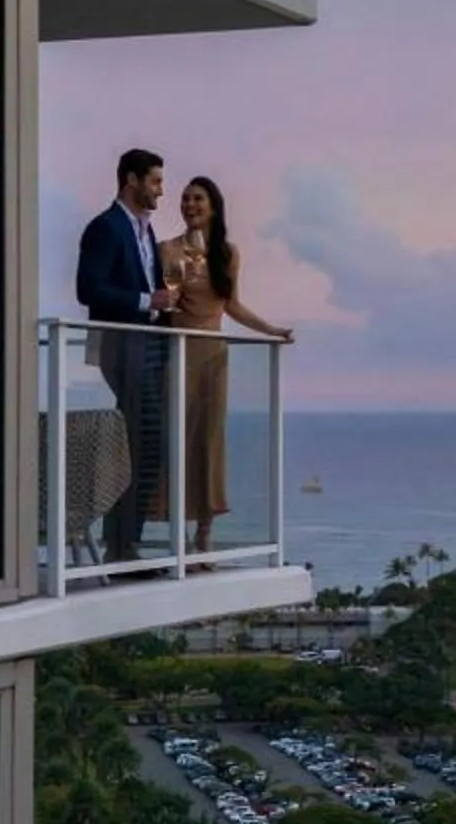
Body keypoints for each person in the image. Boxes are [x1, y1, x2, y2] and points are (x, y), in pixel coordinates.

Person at [155, 176, 293, 553]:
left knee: (209, 440)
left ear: (213, 205)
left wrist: (270, 329)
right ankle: (176, 535)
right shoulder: (167, 249)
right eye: (185, 199)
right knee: (175, 438)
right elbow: (165, 300)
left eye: (197, 199)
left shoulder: (227, 254)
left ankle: (204, 531)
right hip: (177, 349)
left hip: (213, 353)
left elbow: (231, 305)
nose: (189, 205)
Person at [75, 148, 177, 564]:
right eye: (154, 181)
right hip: (122, 345)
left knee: (146, 444)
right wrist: (145, 299)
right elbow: (89, 290)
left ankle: (124, 543)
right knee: (141, 443)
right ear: (131, 181)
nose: (161, 190)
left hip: (148, 345)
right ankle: (121, 546)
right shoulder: (105, 227)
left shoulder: (143, 230)